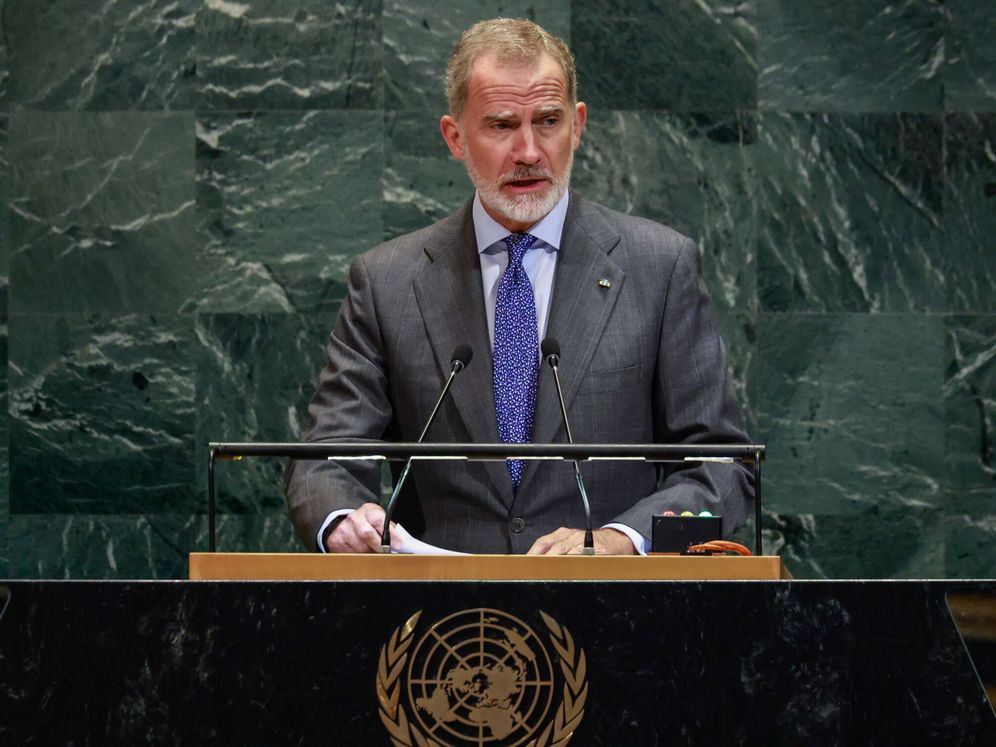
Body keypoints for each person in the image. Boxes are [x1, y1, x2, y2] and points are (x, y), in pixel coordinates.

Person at [284, 18, 753, 555]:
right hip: (439, 601)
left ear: (577, 125)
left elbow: (723, 466)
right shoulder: (387, 282)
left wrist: (621, 540)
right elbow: (325, 460)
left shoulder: (659, 267)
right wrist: (343, 519)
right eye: (502, 125)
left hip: (612, 601)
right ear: (455, 137)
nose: (529, 150)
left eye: (548, 121)